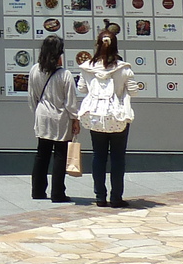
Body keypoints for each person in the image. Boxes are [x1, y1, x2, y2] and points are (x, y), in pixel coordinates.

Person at [77, 29, 136, 208]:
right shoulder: (124, 69)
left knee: (98, 156)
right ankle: (116, 197)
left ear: (98, 44)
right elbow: (134, 90)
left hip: (96, 117)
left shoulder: (87, 68)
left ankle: (100, 196)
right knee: (118, 158)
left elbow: (81, 89)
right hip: (118, 117)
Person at [28, 35, 78, 203]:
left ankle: (37, 190)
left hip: (42, 114)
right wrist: (75, 119)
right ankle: (58, 193)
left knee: (41, 154)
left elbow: (32, 97)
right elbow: (71, 102)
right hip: (60, 118)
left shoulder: (35, 70)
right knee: (60, 154)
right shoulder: (65, 75)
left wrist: (37, 111)